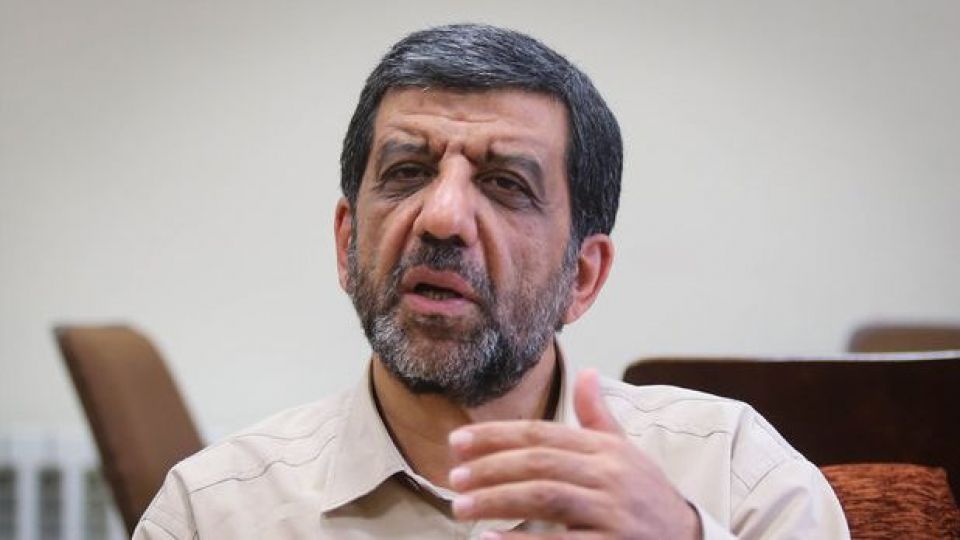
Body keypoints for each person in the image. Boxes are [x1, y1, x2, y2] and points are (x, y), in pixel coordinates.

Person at [134, 24, 849, 539]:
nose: (442, 218)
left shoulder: (732, 475)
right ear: (348, 242)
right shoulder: (213, 513)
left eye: (506, 184)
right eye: (408, 172)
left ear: (583, 276)